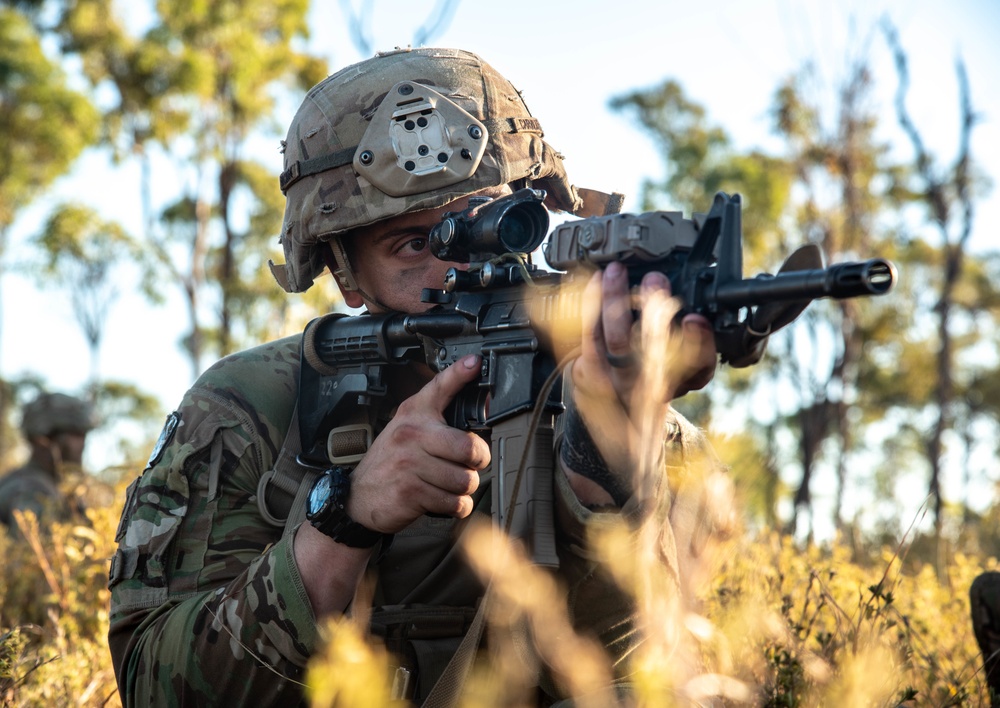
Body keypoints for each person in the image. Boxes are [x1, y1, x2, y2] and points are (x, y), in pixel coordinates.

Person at [107, 47, 729, 706]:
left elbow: (663, 669)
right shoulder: (250, 409)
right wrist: (344, 521)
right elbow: (153, 684)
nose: (460, 267)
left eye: (492, 221)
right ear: (344, 272)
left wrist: (605, 467)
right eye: (412, 244)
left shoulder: (643, 418)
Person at [0, 391, 95, 533]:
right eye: (76, 434)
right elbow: (32, 552)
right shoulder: (30, 490)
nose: (82, 444)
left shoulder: (54, 487)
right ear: (42, 438)